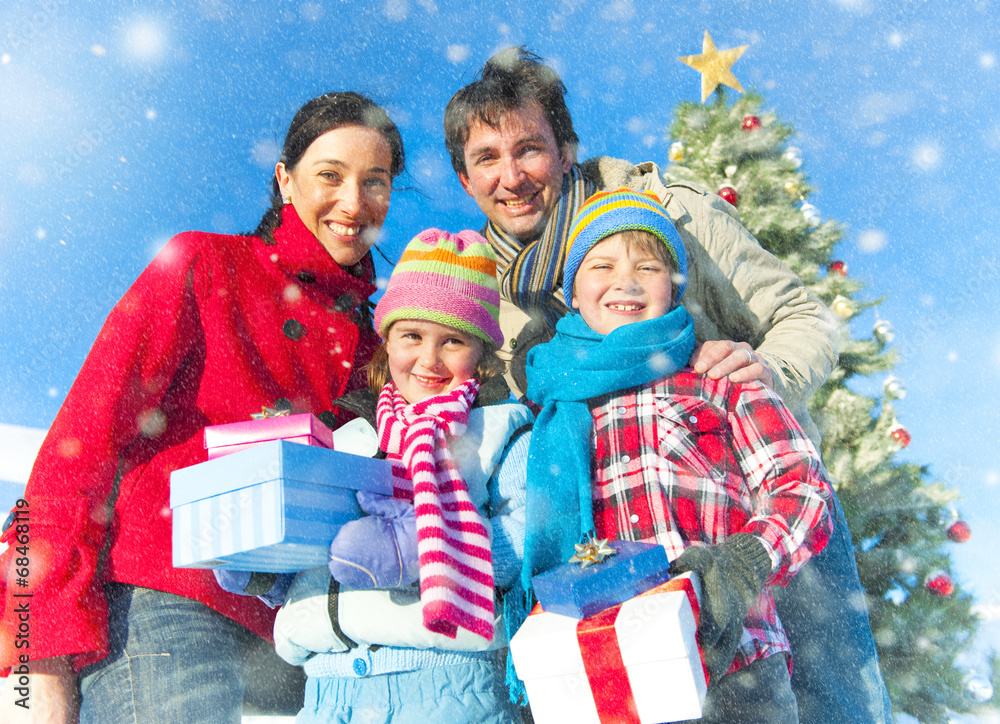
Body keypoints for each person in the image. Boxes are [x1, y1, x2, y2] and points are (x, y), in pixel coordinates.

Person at [444, 47, 893, 723]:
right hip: (616, 563)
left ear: (566, 151)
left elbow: (803, 317)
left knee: (836, 701)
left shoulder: (668, 213)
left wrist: (762, 377)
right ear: (464, 178)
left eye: (530, 149)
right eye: (488, 158)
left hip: (751, 504)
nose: (512, 176)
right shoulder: (484, 298)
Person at [0, 91, 405, 724]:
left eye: (374, 182)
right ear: (286, 181)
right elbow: (80, 443)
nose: (354, 203)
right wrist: (37, 649)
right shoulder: (205, 264)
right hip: (167, 602)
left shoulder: (382, 337)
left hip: (300, 632)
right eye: (331, 175)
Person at [521, 188, 834, 723]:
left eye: (649, 265)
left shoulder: (719, 379)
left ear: (674, 288)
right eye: (601, 265)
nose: (627, 280)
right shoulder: (552, 405)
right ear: (573, 292)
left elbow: (803, 487)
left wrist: (744, 562)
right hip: (612, 674)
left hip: (737, 663)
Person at [225, 229, 531, 723]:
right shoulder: (349, 440)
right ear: (386, 341)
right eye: (412, 336)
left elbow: (528, 540)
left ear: (481, 354)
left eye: (452, 340)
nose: (429, 360)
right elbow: (329, 557)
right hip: (327, 692)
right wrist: (264, 567)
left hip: (445, 688)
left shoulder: (498, 431)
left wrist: (414, 550)